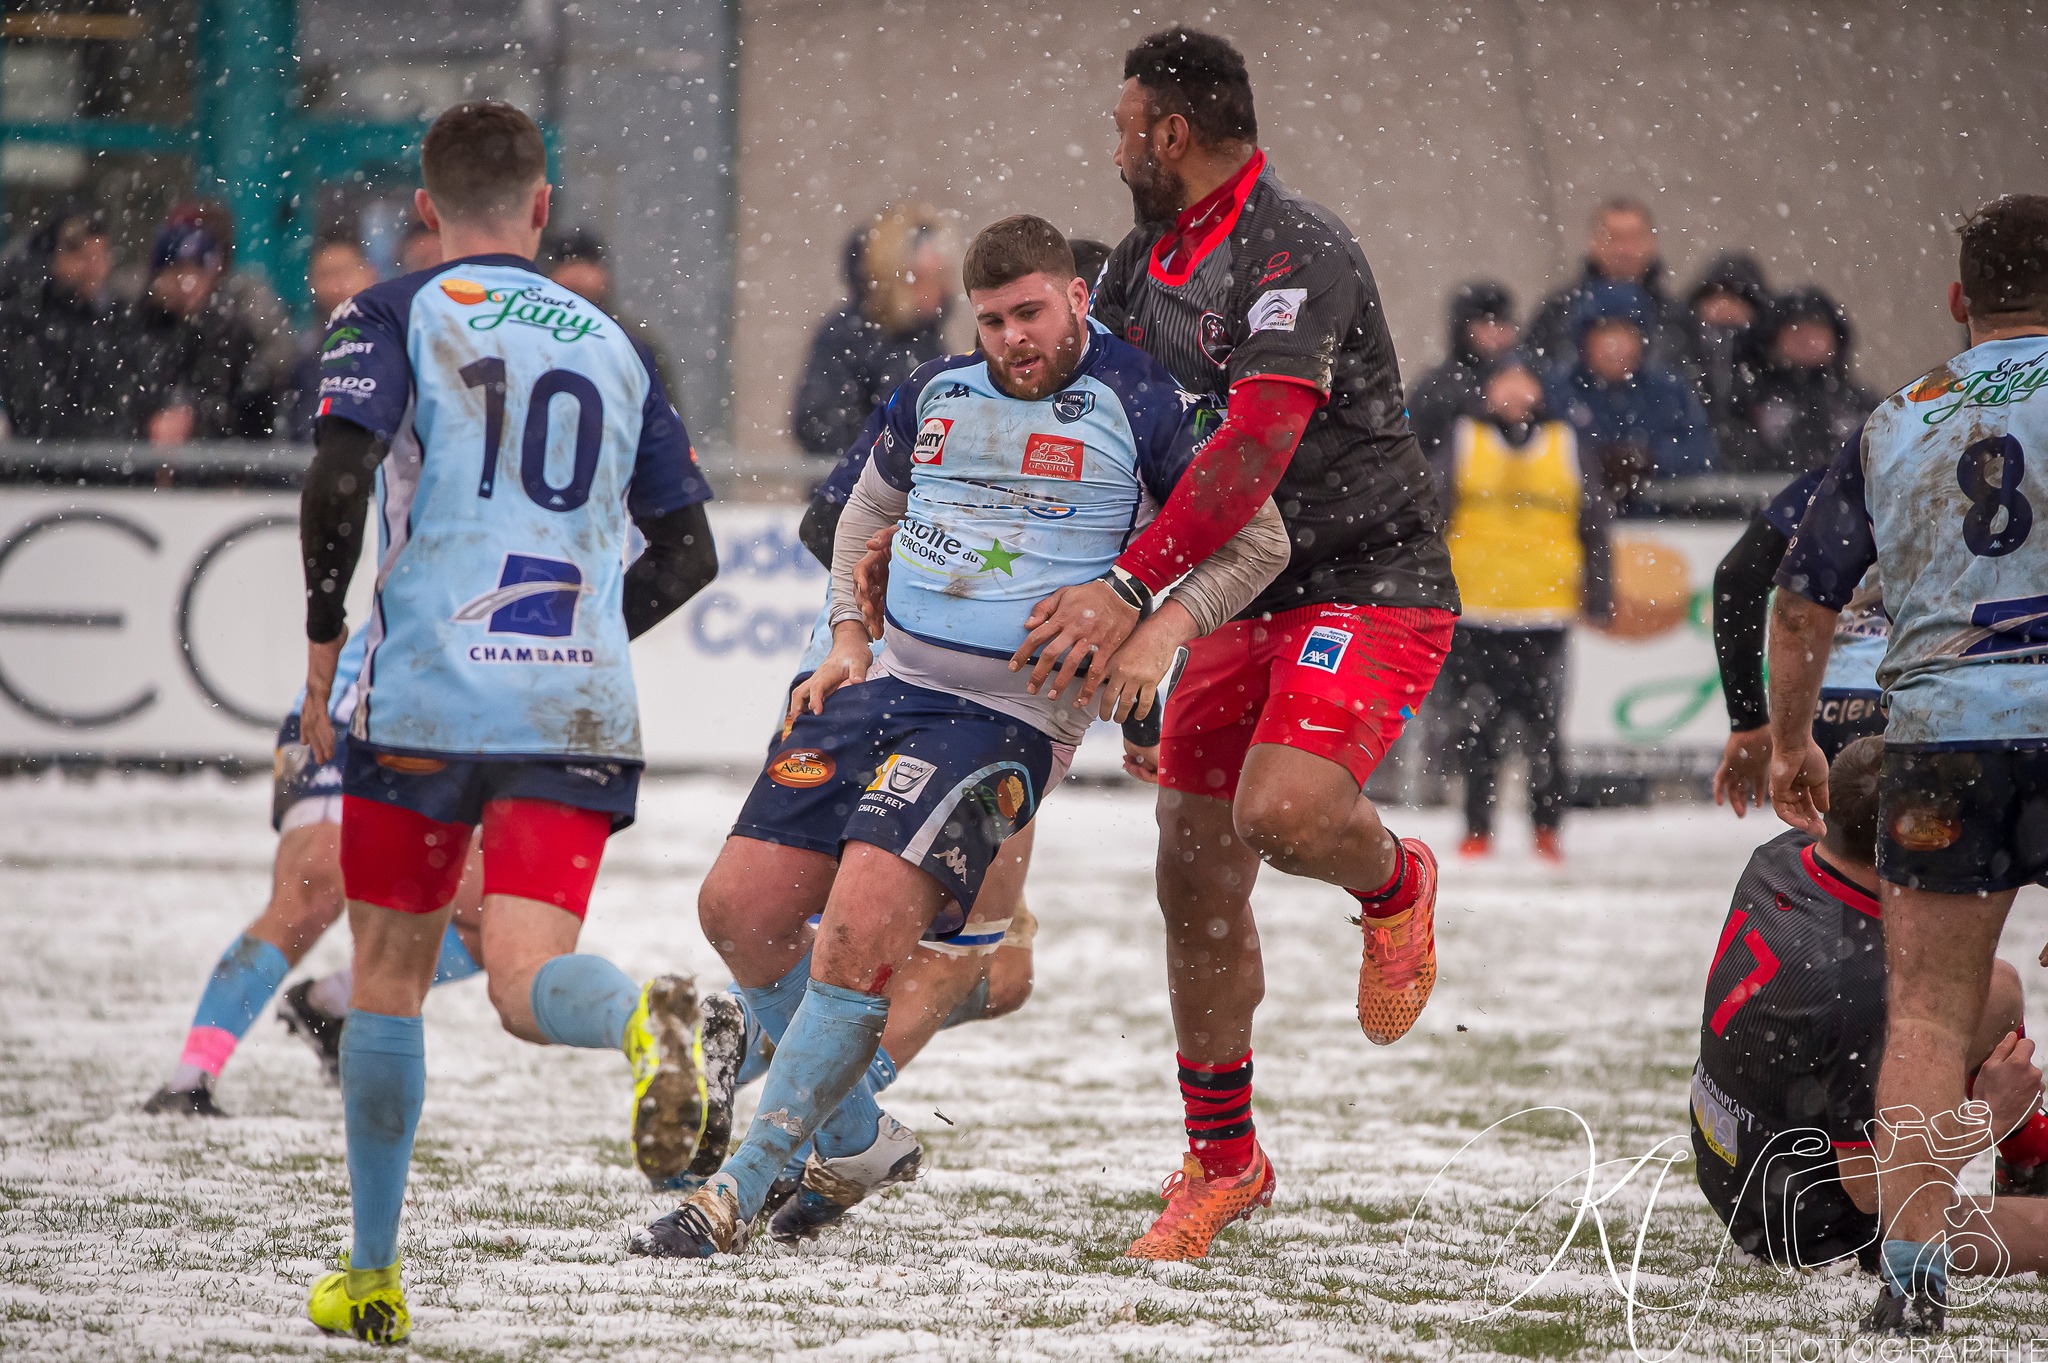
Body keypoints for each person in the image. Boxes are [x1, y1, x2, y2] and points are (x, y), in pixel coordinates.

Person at [628, 214, 1288, 1259]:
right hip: (882, 679)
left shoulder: (1144, 402)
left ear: (1076, 296)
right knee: (738, 907)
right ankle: (856, 1137)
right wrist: (846, 633)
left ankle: (736, 1193)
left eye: (1029, 311)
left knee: (869, 937)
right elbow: (853, 514)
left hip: (1004, 716)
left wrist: (1156, 635)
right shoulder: (933, 390)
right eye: (991, 320)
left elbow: (1257, 538)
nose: (1012, 338)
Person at [292, 101, 721, 1342]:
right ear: (539, 207)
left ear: (423, 211)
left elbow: (337, 475)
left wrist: (325, 651)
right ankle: (642, 1018)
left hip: (428, 688)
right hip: (569, 696)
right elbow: (687, 551)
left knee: (388, 978)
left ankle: (372, 1274)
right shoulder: (616, 340)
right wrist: (581, 633)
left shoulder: (392, 311)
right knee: (527, 978)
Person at [1071, 26, 1460, 1261]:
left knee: (1281, 813)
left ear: (1170, 135)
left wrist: (1134, 594)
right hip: (1237, 589)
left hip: (1364, 576)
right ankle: (1222, 1161)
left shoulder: (1299, 250)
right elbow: (1136, 447)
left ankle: (1393, 885)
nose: (1114, 141)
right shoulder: (1140, 264)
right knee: (1189, 866)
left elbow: (1248, 456)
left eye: (1123, 122)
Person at [1768, 193, 2048, 1334]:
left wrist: (1789, 740)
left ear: (1955, 301)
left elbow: (1800, 599)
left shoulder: (1899, 414)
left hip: (1944, 735)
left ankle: (1914, 1283)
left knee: (1927, 1016)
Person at [669, 407, 1044, 1206]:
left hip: (830, 690)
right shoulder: (1033, 414)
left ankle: (761, 1050)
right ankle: (831, 1127)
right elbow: (834, 522)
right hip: (950, 716)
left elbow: (823, 521)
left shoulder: (945, 399)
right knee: (966, 963)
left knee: (817, 930)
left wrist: (886, 585)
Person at [1693, 737, 2048, 1275]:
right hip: (1804, 1223)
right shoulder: (1858, 989)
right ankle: (2020, 1148)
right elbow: (1870, 1192)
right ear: (1910, 846)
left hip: (1730, 1150)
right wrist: (1988, 1117)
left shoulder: (1783, 852)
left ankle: (2030, 1155)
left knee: (1991, 984)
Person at [143, 631, 488, 1115]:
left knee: (497, 919)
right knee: (313, 893)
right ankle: (187, 1082)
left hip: (448, 735)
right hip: (352, 714)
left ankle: (329, 1003)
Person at [1433, 354, 1612, 862]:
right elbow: (1433, 512)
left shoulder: (1567, 441)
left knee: (1545, 728)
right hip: (1476, 608)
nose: (1514, 395)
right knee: (1476, 729)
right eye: (1504, 384)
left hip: (1545, 611)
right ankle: (1476, 828)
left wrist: (1598, 595)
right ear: (1489, 391)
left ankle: (1547, 828)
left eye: (1523, 383)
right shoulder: (1464, 437)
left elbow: (1594, 522)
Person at [1710, 466, 1888, 818]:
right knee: (1919, 856)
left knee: (1830, 852)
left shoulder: (1851, 468)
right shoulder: (1976, 463)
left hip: (1816, 698)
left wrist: (1748, 721)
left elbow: (1738, 576)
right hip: (1912, 695)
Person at [790, 203, 954, 458]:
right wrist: (884, 462)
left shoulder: (924, 339)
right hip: (860, 494)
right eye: (924, 277)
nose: (937, 291)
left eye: (942, 277)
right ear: (896, 277)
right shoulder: (846, 337)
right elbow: (818, 424)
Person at [1543, 280, 1717, 504]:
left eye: (1626, 331)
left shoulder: (1669, 391)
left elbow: (1702, 454)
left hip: (1660, 524)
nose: (1614, 345)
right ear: (1584, 340)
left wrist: (1650, 458)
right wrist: (1591, 462)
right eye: (1605, 331)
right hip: (1576, 525)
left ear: (1642, 339)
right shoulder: (1558, 390)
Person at [1524, 198, 1699, 378]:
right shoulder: (1558, 312)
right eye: (1612, 237)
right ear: (1592, 242)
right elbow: (1530, 370)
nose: (1623, 249)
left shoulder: (1678, 318)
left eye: (1633, 237)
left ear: (1651, 242)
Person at [0, 204, 133, 440]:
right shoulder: (23, 320)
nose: (94, 269)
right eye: (82, 257)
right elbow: (34, 412)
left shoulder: (115, 318)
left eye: (100, 256)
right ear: (51, 259)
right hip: (47, 467)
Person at [132, 222, 272, 443]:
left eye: (200, 273)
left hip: (212, 466)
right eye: (180, 272)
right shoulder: (132, 327)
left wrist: (192, 421)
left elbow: (243, 408)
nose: (190, 284)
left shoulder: (230, 333)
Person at [1738, 286, 1881, 475]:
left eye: (1817, 325)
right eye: (1794, 326)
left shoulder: (1863, 405)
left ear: (1836, 337)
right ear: (1774, 337)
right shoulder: (1749, 401)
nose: (1807, 336)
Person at [543, 228, 680, 403]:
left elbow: (662, 418)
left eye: (587, 264)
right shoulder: (537, 334)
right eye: (570, 264)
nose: (580, 276)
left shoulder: (632, 342)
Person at [1408, 280, 1517, 460]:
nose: (1498, 332)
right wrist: (1486, 410)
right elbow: (1418, 456)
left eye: (1503, 322)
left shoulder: (1525, 379)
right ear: (1464, 328)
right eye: (1487, 323)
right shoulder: (1436, 387)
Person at [285, 239, 381, 441]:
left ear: (371, 273)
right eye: (325, 276)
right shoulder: (306, 360)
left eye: (345, 273)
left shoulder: (397, 341)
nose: (335, 287)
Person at [1683, 253, 1772, 471]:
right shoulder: (1679, 355)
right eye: (1713, 297)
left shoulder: (1770, 367)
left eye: (1737, 299)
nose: (1724, 307)